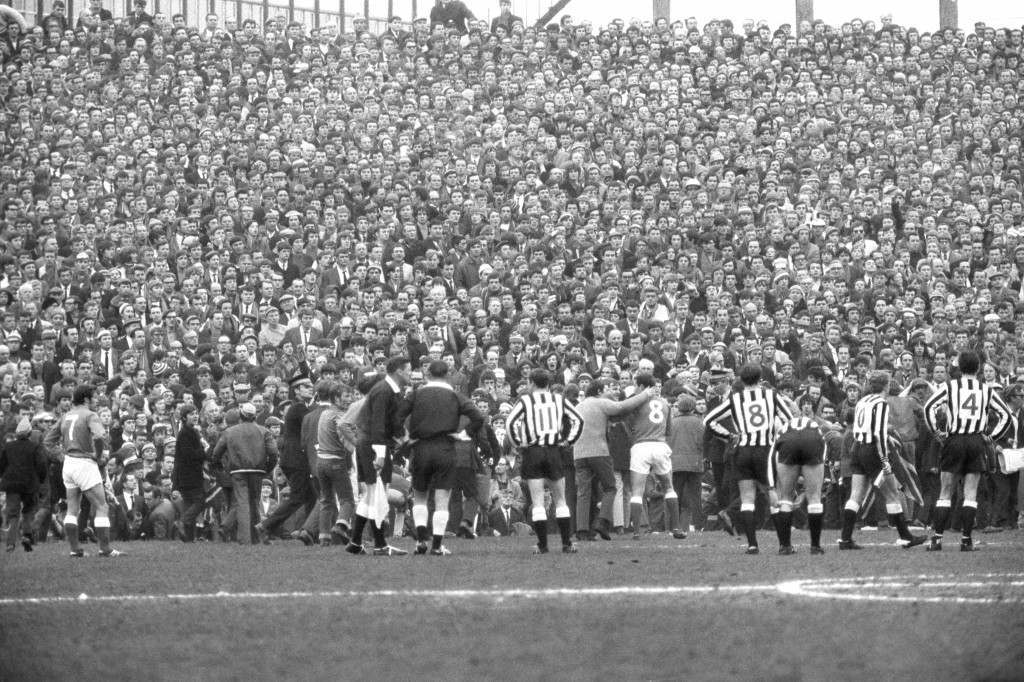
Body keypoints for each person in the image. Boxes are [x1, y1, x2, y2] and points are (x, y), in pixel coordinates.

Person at [923, 351, 1015, 551]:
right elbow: (1006, 416)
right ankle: (966, 540)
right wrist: (991, 436)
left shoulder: (950, 386)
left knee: (945, 491)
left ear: (959, 368)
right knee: (970, 492)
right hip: (976, 441)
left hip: (954, 440)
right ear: (979, 368)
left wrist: (936, 432)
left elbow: (928, 407)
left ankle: (937, 539)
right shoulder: (986, 389)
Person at [703, 364, 793, 555]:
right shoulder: (772, 395)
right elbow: (789, 418)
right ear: (760, 378)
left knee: (747, 499)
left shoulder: (735, 399)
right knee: (772, 494)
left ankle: (752, 545)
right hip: (765, 450)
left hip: (743, 451)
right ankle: (784, 544)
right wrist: (780, 440)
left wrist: (729, 436)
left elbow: (709, 420)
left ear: (741, 380)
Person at [406, 360, 487, 555]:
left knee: (420, 498)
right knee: (442, 500)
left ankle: (420, 542)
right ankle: (436, 547)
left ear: (427, 374)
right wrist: (463, 434)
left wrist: (406, 437)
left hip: (421, 448)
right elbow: (478, 417)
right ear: (447, 374)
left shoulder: (415, 395)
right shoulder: (455, 396)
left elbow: (398, 415)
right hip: (445, 448)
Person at [843, 371, 926, 551]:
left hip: (857, 448)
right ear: (886, 385)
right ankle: (906, 537)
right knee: (892, 494)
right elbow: (879, 433)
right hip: (873, 449)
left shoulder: (862, 401)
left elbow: (861, 427)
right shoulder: (881, 403)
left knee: (855, 495)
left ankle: (845, 538)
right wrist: (885, 459)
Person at [506, 368, 584, 554]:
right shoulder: (559, 399)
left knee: (538, 500)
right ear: (548, 384)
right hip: (554, 451)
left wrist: (519, 444)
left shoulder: (526, 400)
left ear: (532, 383)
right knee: (560, 499)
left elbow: (511, 423)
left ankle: (543, 545)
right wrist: (568, 441)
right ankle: (566, 543)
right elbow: (578, 420)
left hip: (533, 452)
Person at [42, 385, 121, 557]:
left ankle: (75, 549)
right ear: (86, 399)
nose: (96, 400)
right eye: (94, 397)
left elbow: (47, 441)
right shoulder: (90, 415)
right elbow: (100, 436)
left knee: (72, 508)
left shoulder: (66, 416)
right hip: (85, 463)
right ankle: (105, 549)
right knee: (101, 506)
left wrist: (62, 456)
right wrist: (98, 455)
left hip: (69, 464)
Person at [573, 378, 651, 541]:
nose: (611, 391)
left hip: (579, 454)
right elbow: (622, 407)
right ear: (600, 391)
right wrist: (644, 394)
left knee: (583, 493)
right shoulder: (601, 403)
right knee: (610, 487)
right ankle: (602, 521)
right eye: (608, 388)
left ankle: (581, 530)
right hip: (599, 452)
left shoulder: (578, 406)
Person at [347, 356, 410, 556]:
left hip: (369, 444)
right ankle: (381, 545)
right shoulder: (384, 390)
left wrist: (400, 437)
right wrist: (381, 453)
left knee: (371, 495)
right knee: (378, 495)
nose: (411, 373)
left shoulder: (387, 389)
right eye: (408, 370)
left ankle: (355, 543)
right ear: (399, 371)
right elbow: (378, 424)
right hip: (372, 445)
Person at [255, 374, 316, 544]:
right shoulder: (299, 409)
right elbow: (313, 425)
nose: (311, 388)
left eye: (311, 386)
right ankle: (266, 525)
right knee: (298, 497)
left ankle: (310, 532)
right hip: (297, 460)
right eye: (306, 386)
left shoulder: (300, 407)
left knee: (312, 496)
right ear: (296, 391)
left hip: (295, 459)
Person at [212, 402, 279, 545]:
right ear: (255, 416)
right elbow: (273, 453)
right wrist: (267, 468)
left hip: (238, 471)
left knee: (242, 503)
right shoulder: (263, 431)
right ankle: (255, 538)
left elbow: (216, 452)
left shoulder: (229, 431)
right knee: (254, 502)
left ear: (240, 416)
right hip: (258, 471)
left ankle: (244, 539)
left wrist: (219, 465)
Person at [625, 373, 683, 540]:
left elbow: (628, 423)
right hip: (660, 445)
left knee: (637, 490)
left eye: (636, 385)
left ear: (642, 386)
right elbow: (668, 431)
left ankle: (636, 532)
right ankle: (677, 528)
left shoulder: (636, 402)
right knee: (668, 487)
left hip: (641, 446)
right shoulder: (665, 403)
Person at [771, 406, 832, 555]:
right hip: (812, 442)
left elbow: (774, 452)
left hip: (787, 443)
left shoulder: (784, 427)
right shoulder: (814, 426)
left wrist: (772, 485)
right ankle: (815, 547)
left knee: (785, 498)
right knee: (814, 497)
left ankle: (785, 546)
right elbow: (823, 449)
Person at [313, 380, 357, 547]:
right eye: (346, 396)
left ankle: (323, 537)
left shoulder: (325, 413)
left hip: (321, 462)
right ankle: (341, 525)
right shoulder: (340, 416)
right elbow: (345, 438)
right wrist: (358, 448)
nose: (350, 399)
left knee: (326, 499)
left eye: (351, 395)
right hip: (335, 462)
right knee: (348, 500)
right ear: (336, 398)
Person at [1, 418, 47, 551]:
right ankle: (26, 536)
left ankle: (10, 543)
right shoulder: (34, 447)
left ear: (16, 433)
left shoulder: (8, 447)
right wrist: (41, 479)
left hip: (12, 485)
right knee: (28, 511)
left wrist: (3, 476)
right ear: (29, 433)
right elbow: (42, 465)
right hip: (29, 485)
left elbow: (2, 465)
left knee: (14, 514)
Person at [666, 395, 705, 536]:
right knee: (696, 495)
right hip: (695, 462)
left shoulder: (672, 422)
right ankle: (698, 525)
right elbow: (702, 442)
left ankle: (673, 526)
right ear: (693, 407)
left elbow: (667, 442)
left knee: (674, 494)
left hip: (675, 463)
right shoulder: (698, 422)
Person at [173, 405, 206, 542]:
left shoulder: (187, 431)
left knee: (188, 504)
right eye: (192, 414)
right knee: (200, 502)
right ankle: (182, 522)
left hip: (184, 475)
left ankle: (188, 538)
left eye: (196, 413)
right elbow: (189, 454)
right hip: (190, 474)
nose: (195, 416)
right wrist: (204, 452)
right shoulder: (188, 432)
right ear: (184, 417)